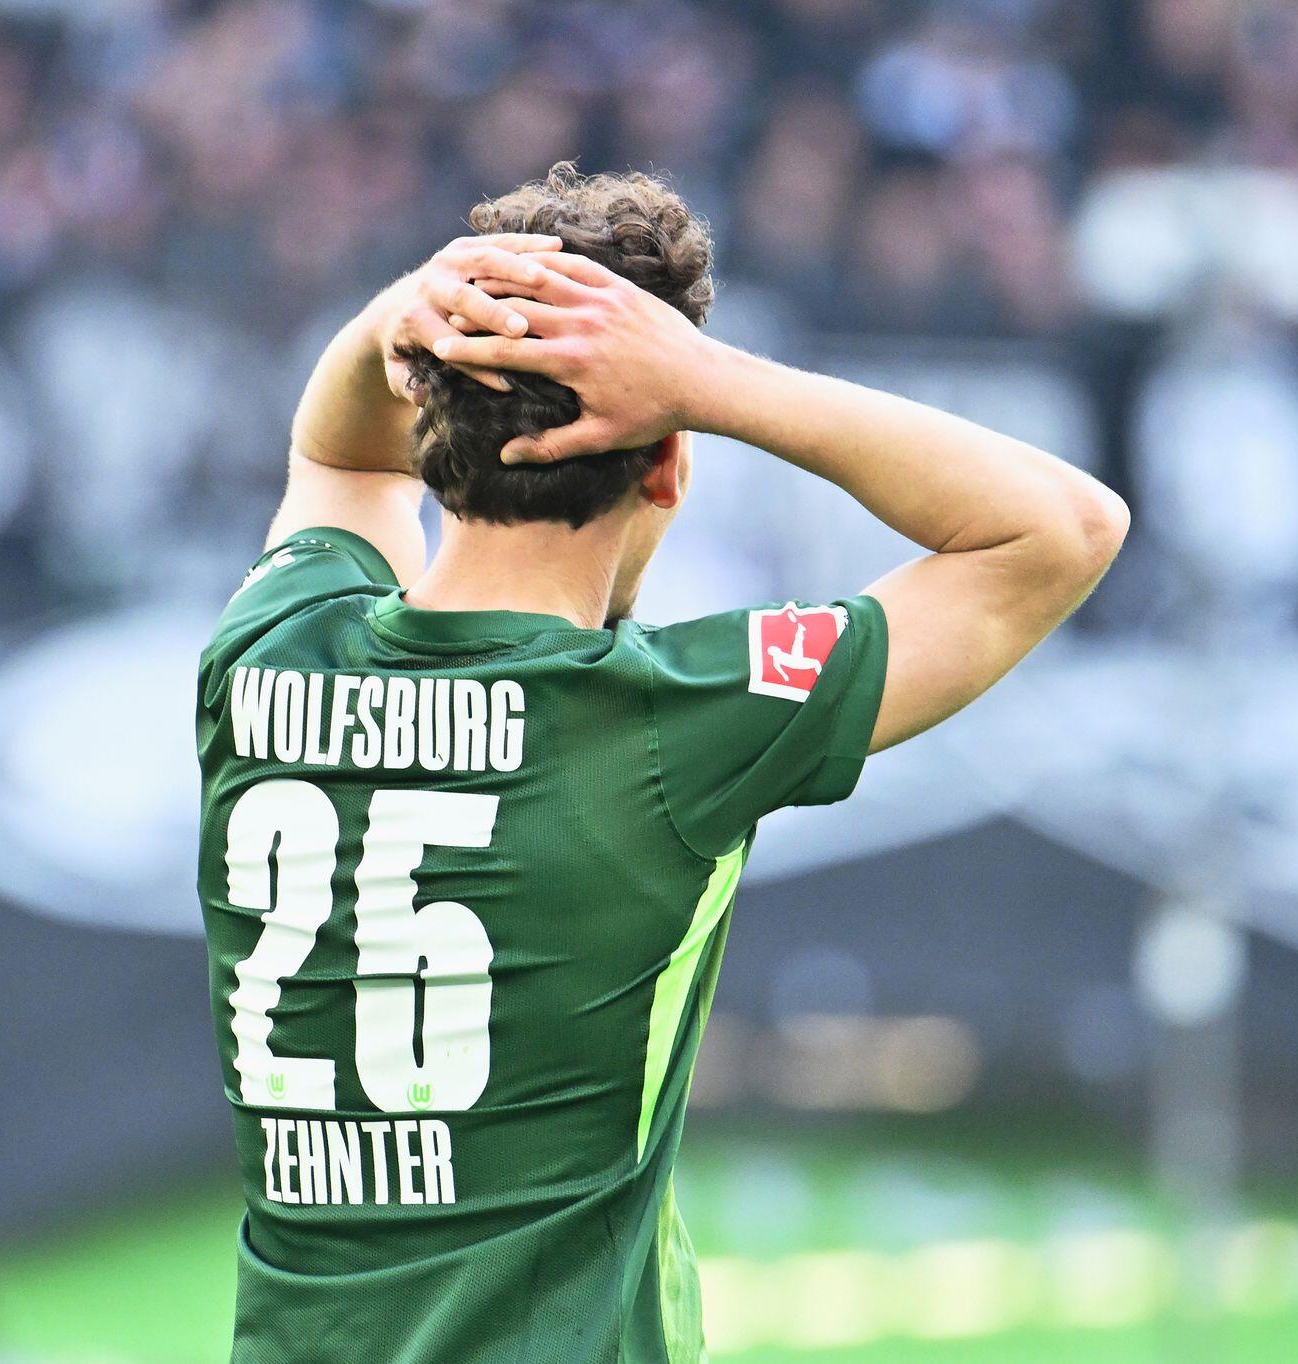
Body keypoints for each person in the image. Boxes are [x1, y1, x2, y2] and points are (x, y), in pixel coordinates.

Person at [196, 165, 1127, 1363]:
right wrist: (708, 380)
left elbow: (338, 462)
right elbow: (1062, 527)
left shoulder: (267, 654)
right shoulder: (664, 721)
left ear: (435, 432)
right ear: (667, 464)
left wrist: (417, 306)